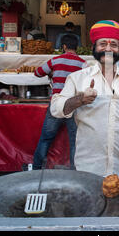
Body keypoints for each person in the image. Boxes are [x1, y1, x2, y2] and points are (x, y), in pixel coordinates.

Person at [50, 20, 119, 178]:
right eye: (103, 43)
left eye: (113, 44)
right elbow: (56, 108)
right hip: (90, 166)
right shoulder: (77, 78)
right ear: (94, 48)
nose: (108, 48)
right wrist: (80, 100)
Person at [32, 34, 87, 170]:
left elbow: (37, 72)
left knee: (46, 139)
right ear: (77, 47)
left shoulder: (55, 60)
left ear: (63, 46)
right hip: (74, 106)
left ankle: (36, 169)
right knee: (75, 142)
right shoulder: (83, 64)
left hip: (57, 105)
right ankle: (76, 171)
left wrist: (52, 73)